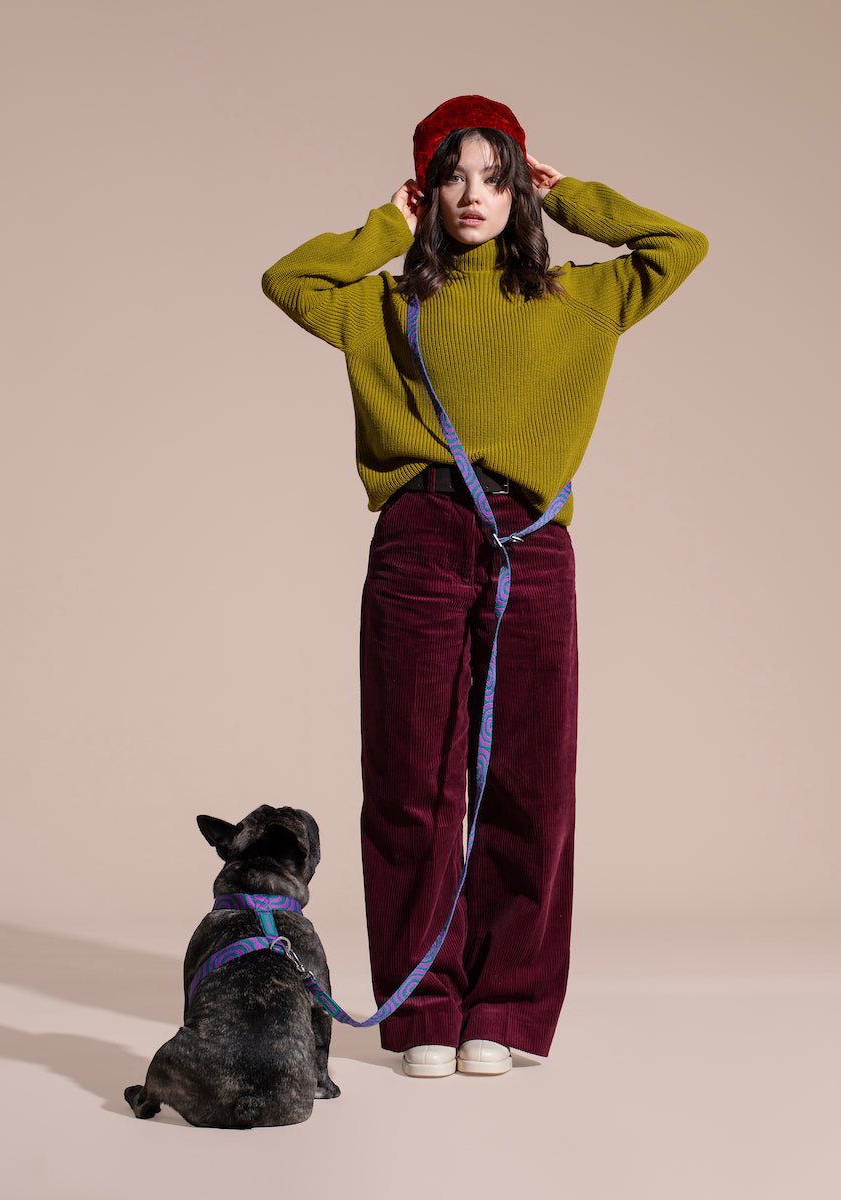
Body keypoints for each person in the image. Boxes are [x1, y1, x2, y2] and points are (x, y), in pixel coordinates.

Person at [262, 95, 708, 1077]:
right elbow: (286, 278)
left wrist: (573, 196)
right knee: (412, 783)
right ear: (426, 189)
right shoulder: (383, 304)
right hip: (419, 535)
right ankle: (424, 1010)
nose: (474, 195)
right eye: (453, 176)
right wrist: (387, 222)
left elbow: (681, 244)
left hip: (531, 542)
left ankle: (505, 1009)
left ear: (520, 185)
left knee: (529, 786)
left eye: (495, 174)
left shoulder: (582, 299)